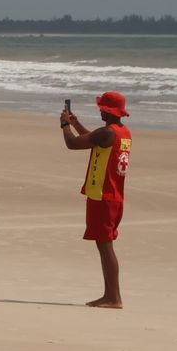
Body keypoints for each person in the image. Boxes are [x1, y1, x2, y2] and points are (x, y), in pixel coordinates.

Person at [61, 92, 133, 309]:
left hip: (104, 196)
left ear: (108, 110)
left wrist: (65, 125)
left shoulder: (106, 132)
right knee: (104, 245)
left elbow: (72, 144)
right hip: (113, 196)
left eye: (102, 108)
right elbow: (93, 140)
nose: (100, 111)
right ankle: (110, 295)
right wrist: (76, 123)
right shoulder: (122, 132)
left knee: (105, 246)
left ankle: (113, 297)